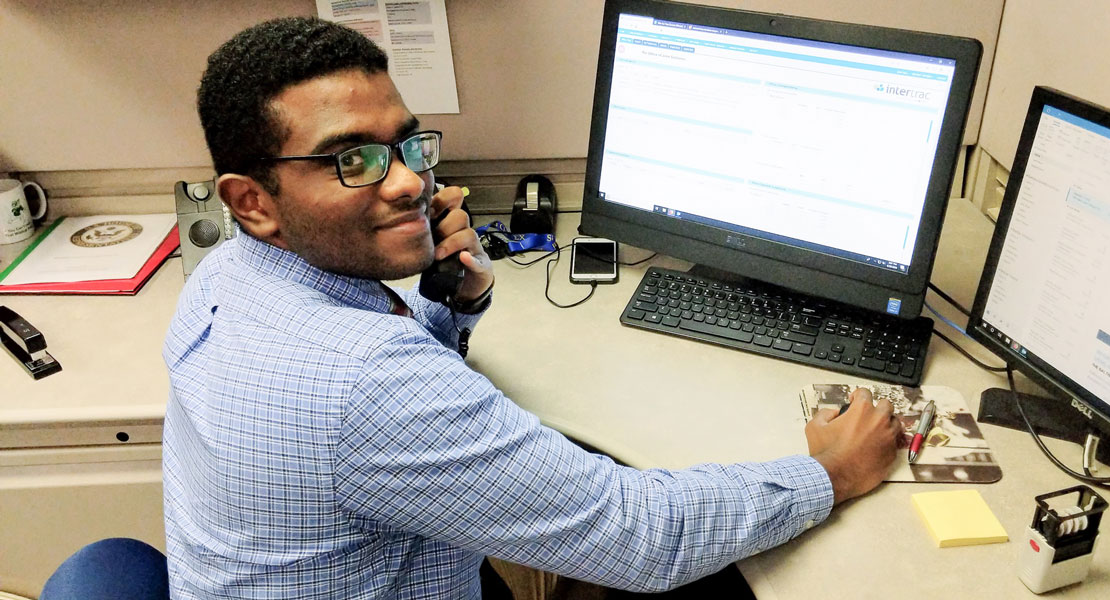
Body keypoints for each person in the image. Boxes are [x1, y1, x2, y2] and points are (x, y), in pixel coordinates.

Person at [162, 17, 904, 600]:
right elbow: (642, 537)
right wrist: (830, 471)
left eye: (407, 143)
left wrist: (451, 305)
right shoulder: (367, 382)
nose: (409, 183)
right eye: (351, 160)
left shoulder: (226, 273)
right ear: (251, 201)